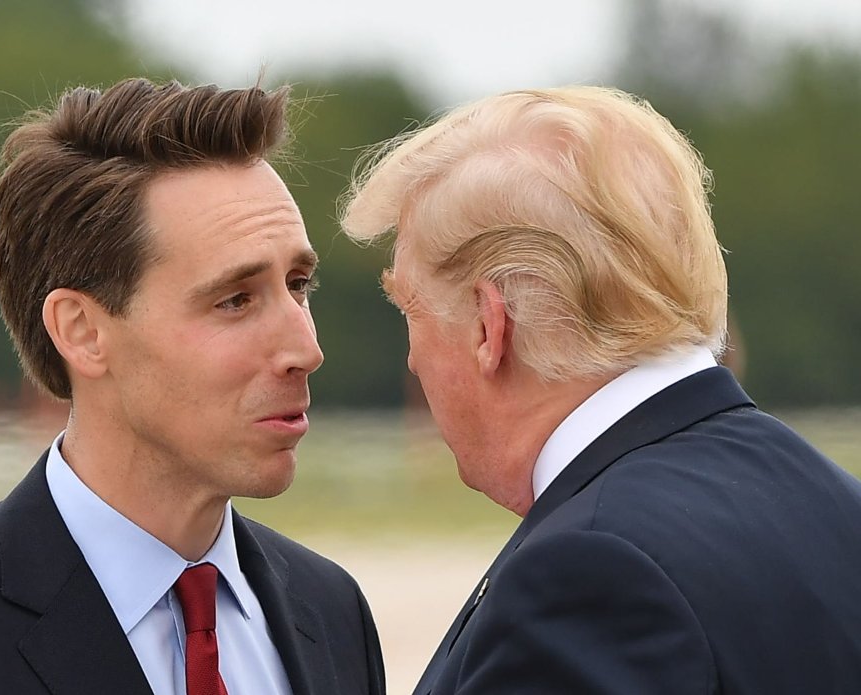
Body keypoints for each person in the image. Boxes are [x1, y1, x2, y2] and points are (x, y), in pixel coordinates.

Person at [0, 77, 385, 695]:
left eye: (297, 285)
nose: (306, 349)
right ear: (81, 331)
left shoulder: (331, 611)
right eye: (235, 299)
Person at [341, 86, 861, 694]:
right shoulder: (834, 504)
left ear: (490, 324)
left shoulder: (588, 577)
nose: (412, 354)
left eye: (410, 308)